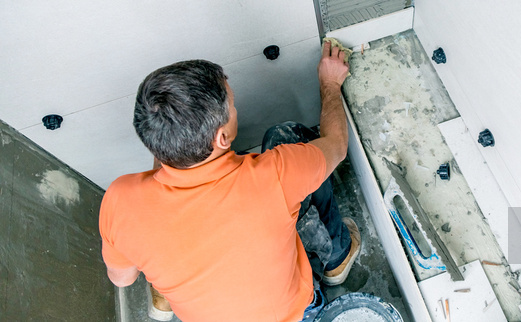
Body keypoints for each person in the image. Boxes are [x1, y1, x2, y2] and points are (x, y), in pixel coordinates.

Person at [99, 40, 361, 321]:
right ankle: (337, 259)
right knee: (285, 135)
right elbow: (336, 144)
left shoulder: (120, 200)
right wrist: (331, 84)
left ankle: (164, 297)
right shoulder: (277, 175)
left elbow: (122, 279)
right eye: (232, 105)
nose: (235, 107)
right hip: (293, 313)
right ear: (221, 138)